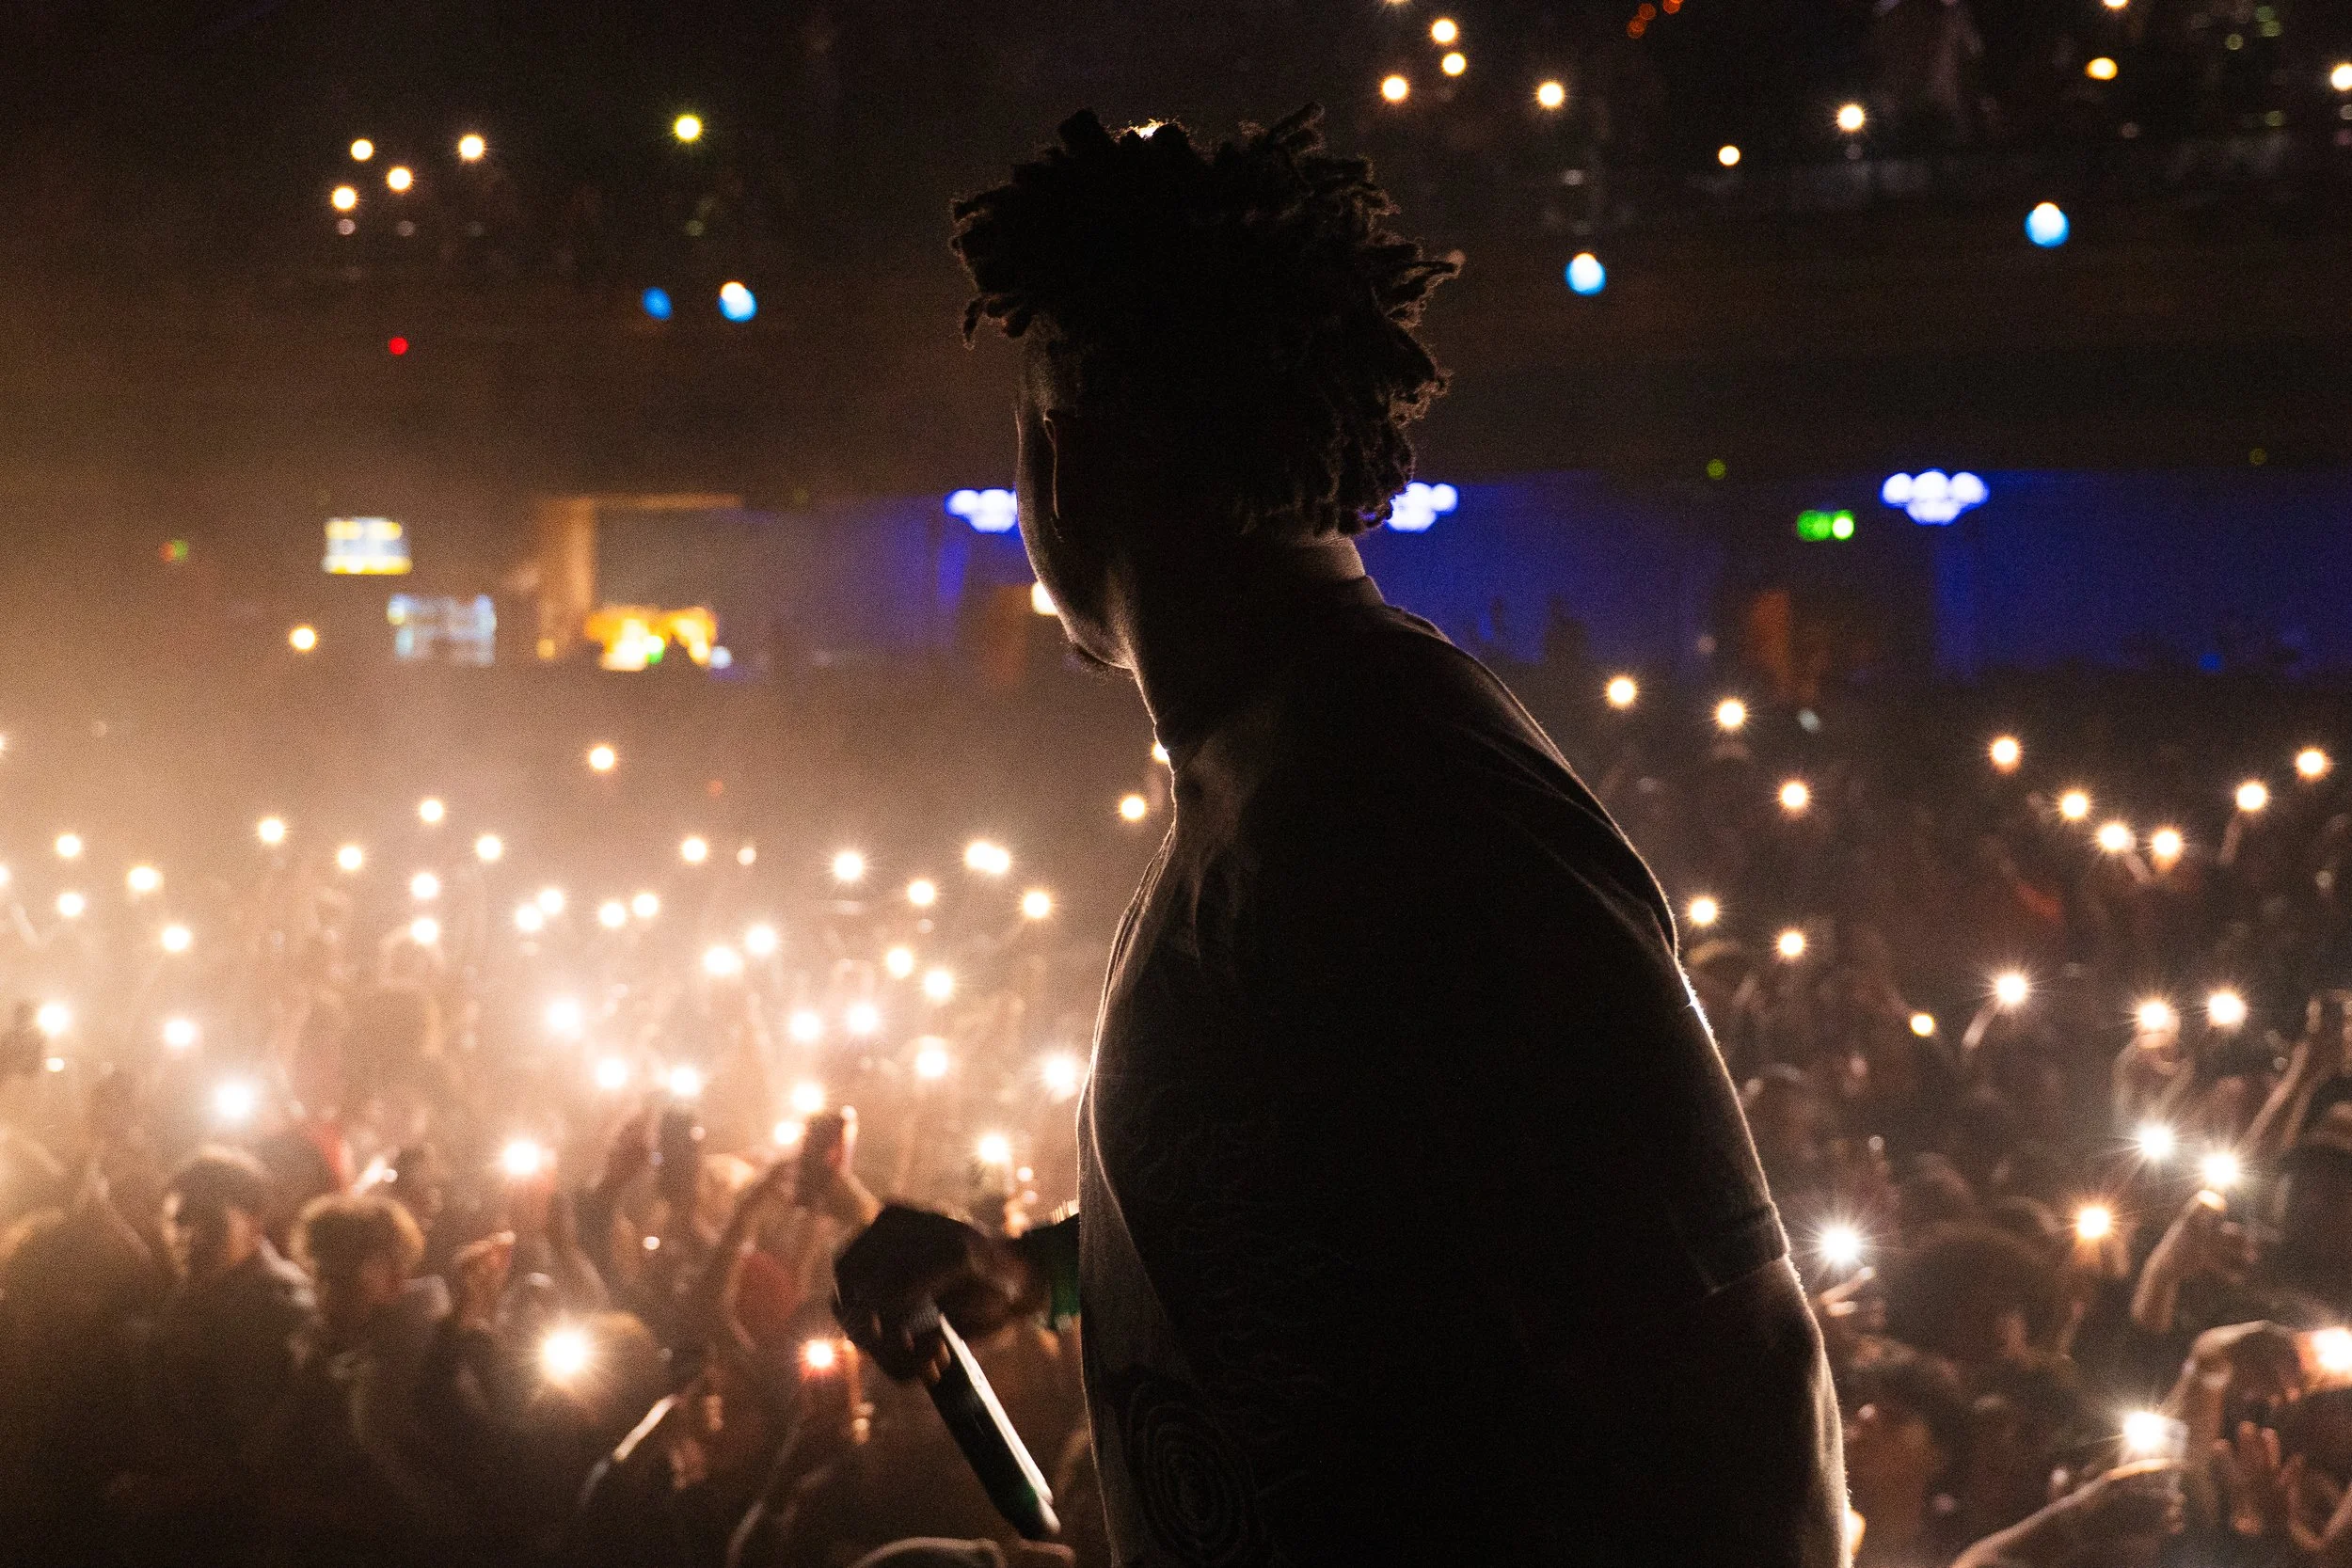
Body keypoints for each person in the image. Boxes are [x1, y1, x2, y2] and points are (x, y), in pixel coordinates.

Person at [834, 107, 1842, 1565]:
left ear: (1062, 457)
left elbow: (1740, 1366)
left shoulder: (1407, 792)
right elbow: (1336, 1233)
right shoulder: (1276, 773)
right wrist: (1036, 1272)